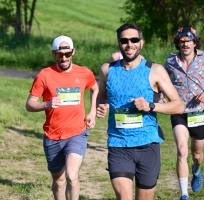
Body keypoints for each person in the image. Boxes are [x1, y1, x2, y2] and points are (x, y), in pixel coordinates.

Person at [96, 23, 184, 200]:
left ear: (141, 43)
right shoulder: (107, 70)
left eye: (134, 40)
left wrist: (151, 106)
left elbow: (179, 105)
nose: (130, 44)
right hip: (119, 144)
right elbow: (102, 96)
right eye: (125, 40)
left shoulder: (155, 70)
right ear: (119, 43)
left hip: (148, 146)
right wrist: (101, 105)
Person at [26, 35, 98, 199]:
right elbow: (29, 104)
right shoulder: (45, 75)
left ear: (73, 52)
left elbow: (95, 88)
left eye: (67, 53)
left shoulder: (84, 72)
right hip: (53, 136)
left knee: (72, 176)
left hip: (77, 132)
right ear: (53, 54)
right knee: (58, 181)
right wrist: (47, 104)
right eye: (60, 54)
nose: (64, 58)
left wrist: (92, 112)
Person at [164, 26, 204, 200]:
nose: (185, 44)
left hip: (199, 112)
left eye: (189, 41)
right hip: (178, 110)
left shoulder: (203, 59)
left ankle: (197, 170)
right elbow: (162, 81)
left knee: (197, 155)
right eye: (182, 41)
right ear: (178, 43)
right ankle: (184, 195)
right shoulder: (170, 61)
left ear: (195, 42)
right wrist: (162, 97)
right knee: (182, 151)